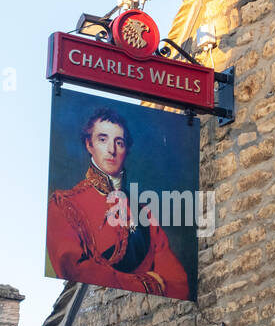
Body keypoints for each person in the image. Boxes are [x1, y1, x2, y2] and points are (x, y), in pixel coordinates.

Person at [46, 106, 190, 299]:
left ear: (126, 150)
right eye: (103, 139)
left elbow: (178, 284)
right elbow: (73, 269)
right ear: (89, 144)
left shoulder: (143, 214)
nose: (111, 150)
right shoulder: (64, 205)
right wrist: (146, 283)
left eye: (119, 142)